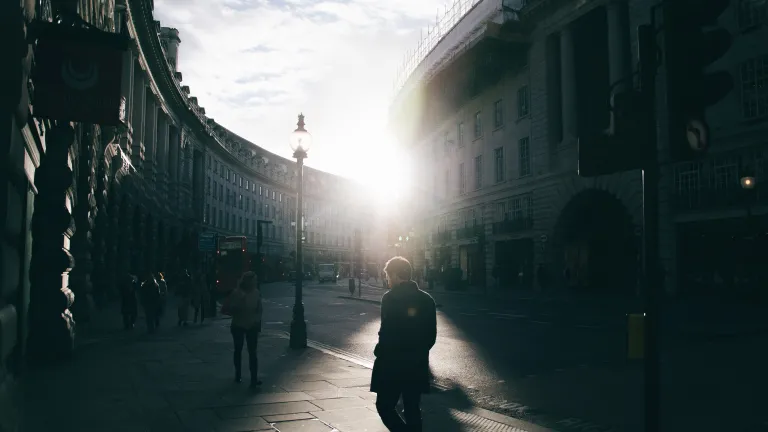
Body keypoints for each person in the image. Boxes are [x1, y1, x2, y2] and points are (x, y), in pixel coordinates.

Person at [371, 256, 437, 432]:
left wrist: (380, 352)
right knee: (412, 409)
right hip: (417, 365)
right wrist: (418, 353)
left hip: (392, 366)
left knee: (384, 407)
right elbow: (431, 336)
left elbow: (386, 332)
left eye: (388, 276)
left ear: (395, 275)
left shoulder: (390, 298)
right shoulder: (427, 299)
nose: (387, 280)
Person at [226, 271, 263, 389]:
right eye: (254, 280)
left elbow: (259, 309)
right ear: (248, 281)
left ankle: (254, 379)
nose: (255, 282)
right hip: (238, 325)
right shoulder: (237, 293)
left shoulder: (257, 293)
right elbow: (231, 309)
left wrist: (257, 322)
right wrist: (239, 303)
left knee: (253, 352)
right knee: (238, 350)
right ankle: (238, 374)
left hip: (252, 325)